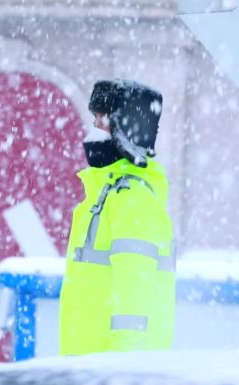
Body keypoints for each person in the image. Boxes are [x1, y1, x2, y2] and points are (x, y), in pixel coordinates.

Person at [59, 79, 176, 355]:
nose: (94, 128)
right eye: (94, 118)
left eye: (102, 119)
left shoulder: (132, 200)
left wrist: (119, 372)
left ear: (126, 128)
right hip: (88, 369)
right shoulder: (105, 196)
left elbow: (134, 300)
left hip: (110, 372)